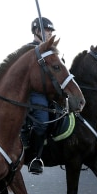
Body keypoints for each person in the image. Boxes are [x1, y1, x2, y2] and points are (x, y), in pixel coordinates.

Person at [27, 16, 56, 174]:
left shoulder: (52, 51)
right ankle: (35, 157)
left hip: (53, 93)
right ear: (37, 31)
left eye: (51, 30)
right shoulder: (28, 50)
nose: (50, 33)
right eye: (47, 30)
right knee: (42, 122)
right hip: (36, 93)